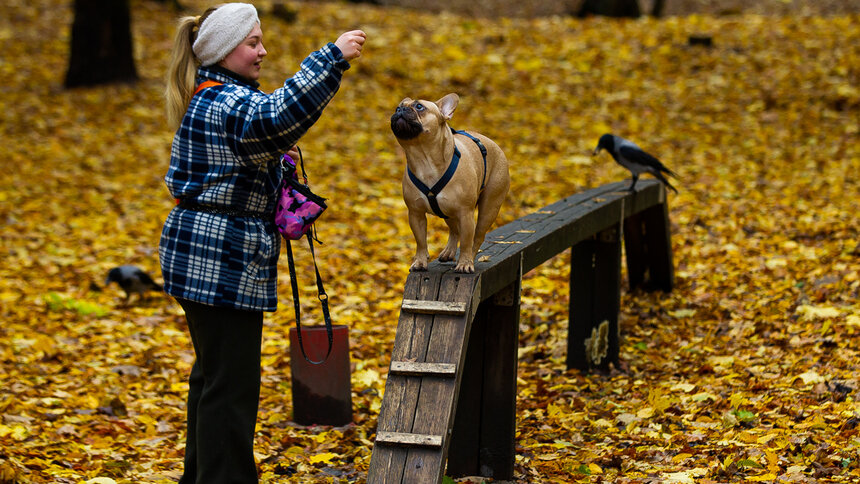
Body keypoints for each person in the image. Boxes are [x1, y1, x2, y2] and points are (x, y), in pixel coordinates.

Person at [158, 3, 365, 482]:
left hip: (205, 256)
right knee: (230, 388)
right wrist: (330, 59)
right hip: (219, 259)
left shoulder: (217, 97)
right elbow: (277, 117)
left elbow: (262, 132)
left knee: (213, 378)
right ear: (224, 49)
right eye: (252, 43)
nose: (263, 51)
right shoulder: (227, 102)